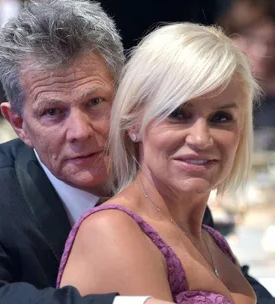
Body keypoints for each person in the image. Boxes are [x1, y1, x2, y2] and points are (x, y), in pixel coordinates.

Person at [0, 0, 273, 303]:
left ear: (126, 97)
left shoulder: (162, 164)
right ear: (18, 123)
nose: (80, 132)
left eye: (95, 102)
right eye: (52, 112)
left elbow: (213, 274)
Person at [57, 23, 262, 303]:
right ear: (134, 123)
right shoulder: (112, 232)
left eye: (221, 118)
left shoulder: (211, 241)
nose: (201, 138)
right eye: (178, 114)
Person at [218, 0, 275, 149]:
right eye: (251, 39)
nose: (263, 53)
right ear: (229, 38)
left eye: (270, 43)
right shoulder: (211, 92)